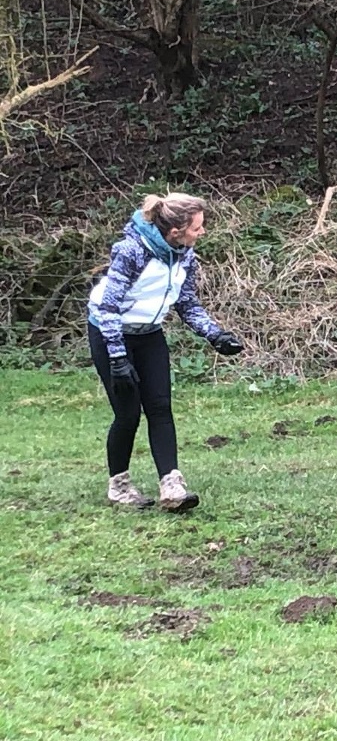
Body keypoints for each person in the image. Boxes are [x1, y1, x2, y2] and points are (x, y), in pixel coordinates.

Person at [87, 192, 244, 512]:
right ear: (176, 230)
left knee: (160, 407)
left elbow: (186, 304)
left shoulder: (186, 255)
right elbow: (108, 307)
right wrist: (117, 357)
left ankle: (171, 486)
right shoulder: (132, 252)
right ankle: (119, 486)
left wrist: (215, 335)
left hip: (149, 334)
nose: (202, 233)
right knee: (128, 413)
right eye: (197, 227)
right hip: (110, 333)